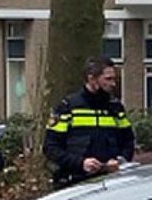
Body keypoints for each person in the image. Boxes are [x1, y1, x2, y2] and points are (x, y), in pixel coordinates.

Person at [44, 56, 135, 189]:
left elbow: (128, 141)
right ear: (91, 78)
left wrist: (119, 161)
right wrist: (81, 163)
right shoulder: (68, 107)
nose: (113, 84)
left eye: (114, 79)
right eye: (108, 79)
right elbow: (50, 147)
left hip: (110, 183)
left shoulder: (115, 108)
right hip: (75, 183)